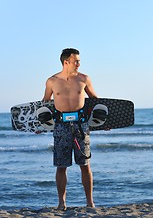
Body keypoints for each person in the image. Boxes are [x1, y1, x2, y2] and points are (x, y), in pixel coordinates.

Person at [41, 48, 97, 209]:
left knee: (85, 165)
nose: (79, 64)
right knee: (61, 166)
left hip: (81, 126)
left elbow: (94, 100)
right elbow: (45, 104)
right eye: (76, 61)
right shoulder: (51, 81)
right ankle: (61, 203)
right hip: (61, 126)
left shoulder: (84, 79)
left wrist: (105, 123)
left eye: (79, 61)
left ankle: (90, 202)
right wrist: (40, 124)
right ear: (66, 62)